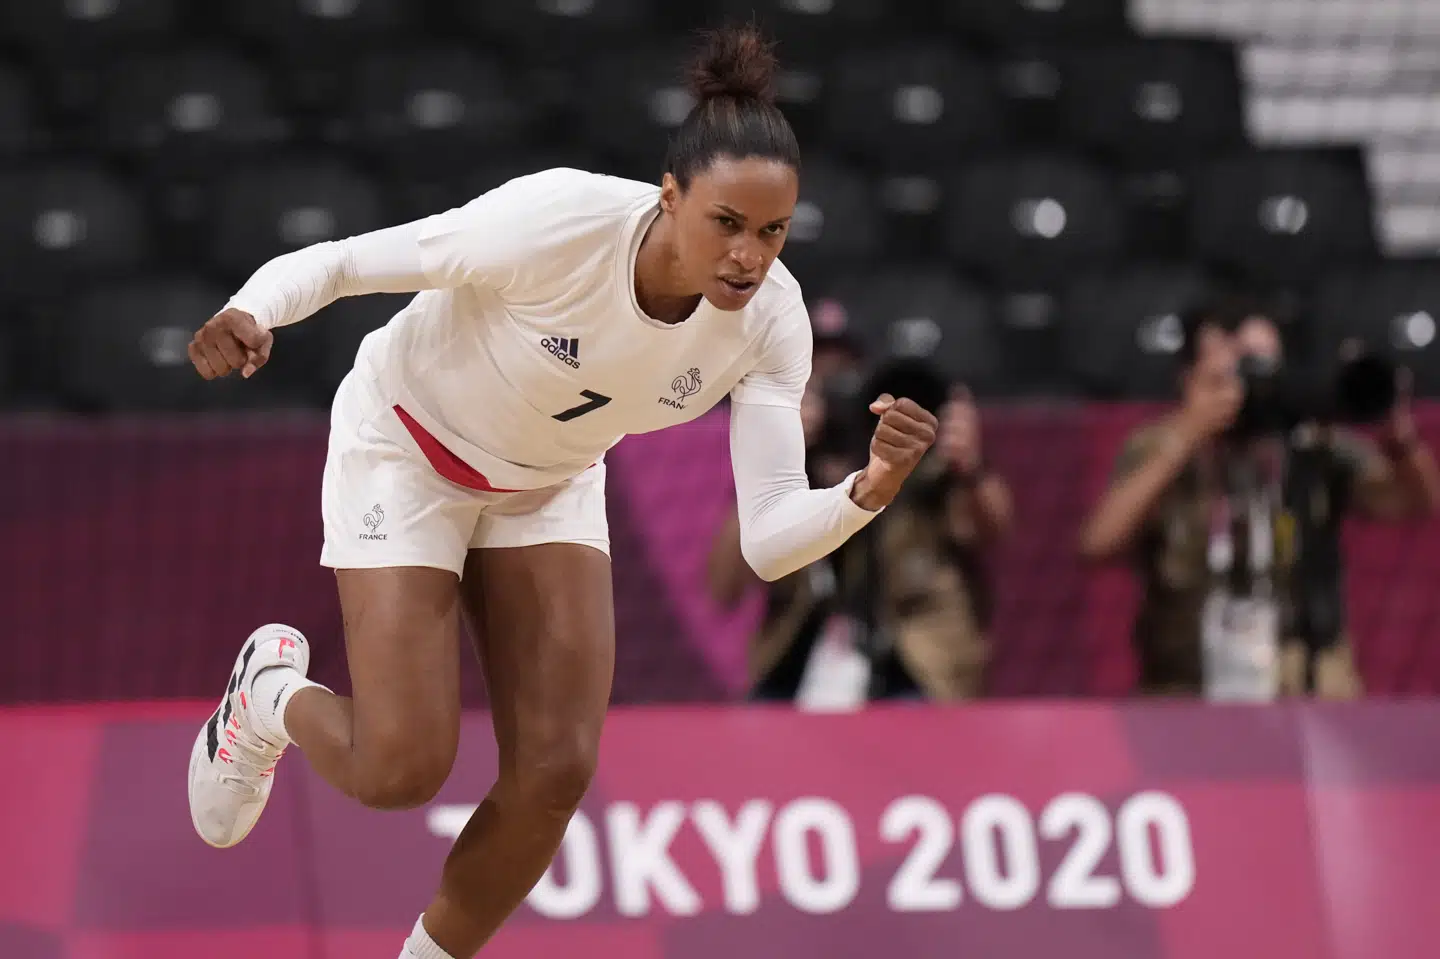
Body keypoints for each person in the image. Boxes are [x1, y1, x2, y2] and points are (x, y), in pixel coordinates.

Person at [182, 25, 937, 959]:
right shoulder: (554, 222)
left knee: (556, 770)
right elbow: (343, 261)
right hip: (408, 448)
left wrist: (870, 488)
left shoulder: (773, 321)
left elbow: (769, 539)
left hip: (549, 482)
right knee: (400, 769)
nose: (749, 256)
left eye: (772, 231)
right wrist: (253, 310)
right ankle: (266, 696)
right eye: (727, 225)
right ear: (671, 199)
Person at [1079, 299, 1438, 697]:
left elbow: (1415, 503)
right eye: (1229, 377)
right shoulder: (1159, 445)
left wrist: (1399, 439)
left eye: (1262, 374)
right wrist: (1187, 436)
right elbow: (1099, 543)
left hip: (1301, 674)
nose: (1248, 392)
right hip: (1189, 682)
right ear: (1189, 379)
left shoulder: (1311, 446)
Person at [709, 358, 1011, 703]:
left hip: (915, 676)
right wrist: (768, 465)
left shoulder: (932, 477)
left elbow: (995, 532)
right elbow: (723, 587)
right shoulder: (795, 475)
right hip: (796, 673)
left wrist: (970, 467)